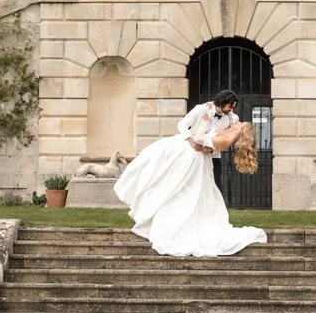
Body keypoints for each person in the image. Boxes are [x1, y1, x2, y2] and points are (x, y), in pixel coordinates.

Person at [113, 88, 267, 257]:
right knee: (168, 178)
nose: (233, 110)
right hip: (188, 150)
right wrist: (191, 140)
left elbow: (223, 139)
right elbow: (182, 125)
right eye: (231, 106)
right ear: (223, 103)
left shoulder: (233, 119)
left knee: (202, 191)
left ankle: (194, 219)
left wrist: (209, 145)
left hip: (206, 158)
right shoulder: (202, 109)